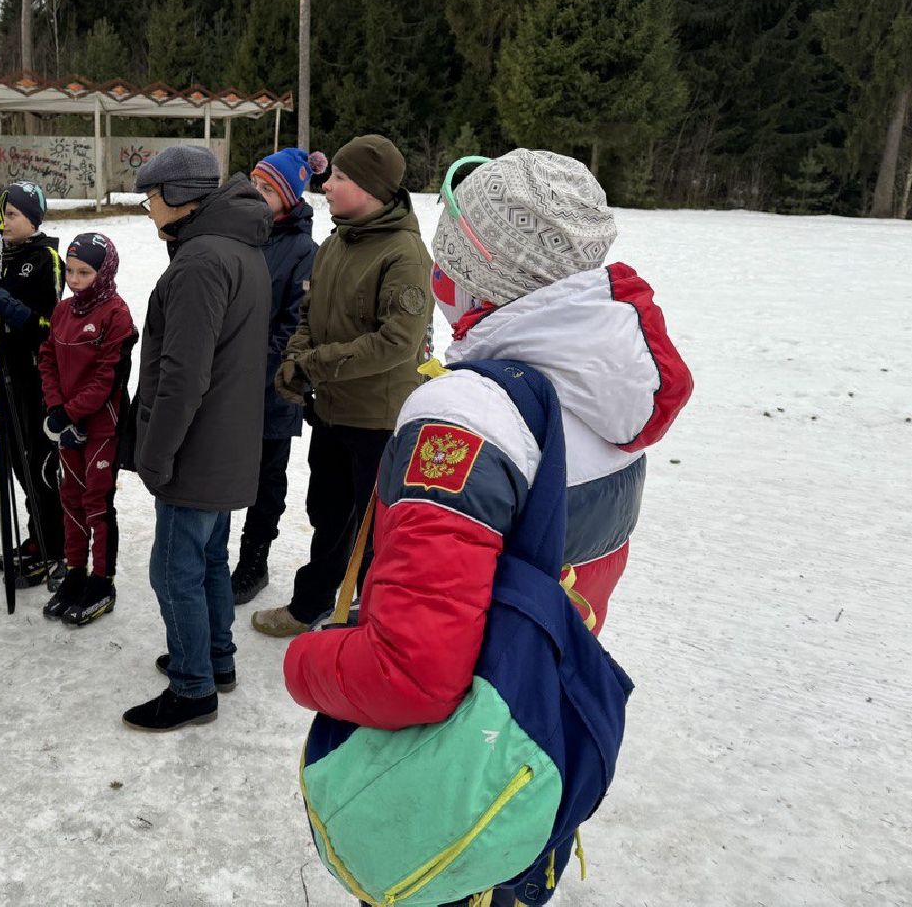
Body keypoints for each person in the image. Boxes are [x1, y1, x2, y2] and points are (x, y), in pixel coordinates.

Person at [283, 149, 693, 905]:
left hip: (452, 781)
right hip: (535, 742)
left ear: (476, 271)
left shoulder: (468, 416)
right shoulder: (608, 392)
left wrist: (307, 663)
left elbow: (411, 673)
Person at [253, 134, 433, 638]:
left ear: (370, 188)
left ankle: (372, 618)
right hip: (331, 410)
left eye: (339, 177)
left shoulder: (404, 254)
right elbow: (308, 314)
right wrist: (296, 360)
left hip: (377, 419)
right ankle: (312, 602)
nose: (326, 185)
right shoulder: (336, 242)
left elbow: (397, 342)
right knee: (328, 514)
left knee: (376, 529)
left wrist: (315, 365)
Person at [122, 146, 271, 732]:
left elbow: (183, 375)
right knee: (208, 559)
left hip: (196, 446)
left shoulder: (201, 261)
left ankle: (192, 686)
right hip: (225, 440)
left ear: (178, 197)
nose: (149, 210)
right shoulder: (236, 247)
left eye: (151, 199)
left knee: (173, 570)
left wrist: (156, 454)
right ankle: (214, 658)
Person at [231, 147, 322, 604]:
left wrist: (255, 364)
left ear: (289, 198)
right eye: (254, 182)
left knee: (266, 478)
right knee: (223, 468)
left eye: (267, 188)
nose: (256, 192)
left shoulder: (304, 251)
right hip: (229, 382)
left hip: (272, 386)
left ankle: (255, 559)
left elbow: (296, 325)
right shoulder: (238, 234)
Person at [37, 231, 137, 625]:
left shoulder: (116, 314)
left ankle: (102, 580)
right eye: (70, 271)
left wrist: (72, 413)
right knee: (70, 498)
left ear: (104, 272)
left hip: (100, 426)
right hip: (66, 423)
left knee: (97, 501)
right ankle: (75, 571)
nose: (75, 280)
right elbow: (47, 358)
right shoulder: (63, 311)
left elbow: (107, 377)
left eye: (85, 273)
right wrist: (56, 410)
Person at [0, 181, 66, 586]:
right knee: (16, 463)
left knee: (37, 467)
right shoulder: (3, 254)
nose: (4, 222)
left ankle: (52, 546)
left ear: (34, 219)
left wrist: (16, 312)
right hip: (5, 375)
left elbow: (52, 328)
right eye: (0, 215)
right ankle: (36, 539)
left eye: (12, 214)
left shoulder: (46, 258)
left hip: (36, 381)